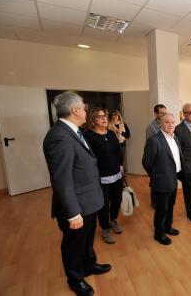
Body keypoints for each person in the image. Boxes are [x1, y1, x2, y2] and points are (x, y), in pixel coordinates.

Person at [43, 92, 111, 296]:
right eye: (83, 106)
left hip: (88, 201)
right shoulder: (59, 137)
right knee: (74, 244)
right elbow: (61, 180)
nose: (85, 110)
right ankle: (75, 279)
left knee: (88, 238)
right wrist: (73, 213)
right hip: (76, 206)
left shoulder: (73, 131)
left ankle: (89, 265)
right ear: (74, 110)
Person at [142, 113, 183, 246]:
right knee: (161, 208)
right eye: (167, 122)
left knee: (170, 205)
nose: (170, 125)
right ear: (160, 124)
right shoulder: (154, 140)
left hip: (173, 178)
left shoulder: (175, 138)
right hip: (161, 180)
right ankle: (159, 234)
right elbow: (146, 162)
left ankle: (167, 227)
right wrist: (157, 175)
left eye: (172, 122)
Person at [84, 108, 124, 244]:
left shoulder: (112, 133)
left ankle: (113, 220)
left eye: (105, 116)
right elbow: (87, 158)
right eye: (99, 117)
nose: (104, 119)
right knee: (103, 204)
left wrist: (121, 165)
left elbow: (118, 151)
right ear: (92, 120)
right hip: (100, 177)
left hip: (117, 174)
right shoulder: (88, 136)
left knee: (117, 199)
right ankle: (105, 228)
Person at [145, 104, 167, 207]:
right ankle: (154, 203)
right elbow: (149, 147)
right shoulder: (151, 127)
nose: (164, 115)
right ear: (156, 113)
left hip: (166, 158)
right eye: (162, 113)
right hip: (156, 159)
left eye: (165, 112)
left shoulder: (167, 124)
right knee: (155, 181)